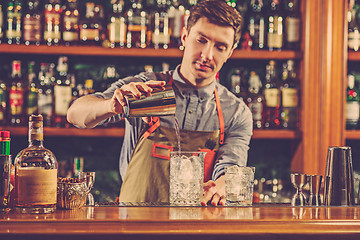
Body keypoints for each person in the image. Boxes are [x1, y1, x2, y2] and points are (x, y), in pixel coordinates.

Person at [67, 0, 253, 206]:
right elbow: (75, 114)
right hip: (133, 225)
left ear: (230, 52)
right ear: (184, 36)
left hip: (196, 229)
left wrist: (224, 183)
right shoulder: (146, 89)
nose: (207, 55)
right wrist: (111, 105)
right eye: (201, 40)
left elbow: (230, 167)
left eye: (220, 47)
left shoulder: (235, 112)